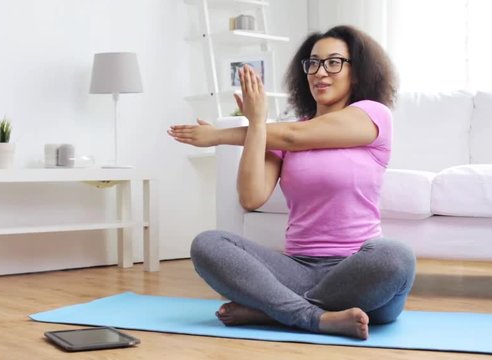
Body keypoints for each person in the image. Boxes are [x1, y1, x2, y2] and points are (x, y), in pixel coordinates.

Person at [167, 25, 415, 340]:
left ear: (357, 72)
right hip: (297, 271)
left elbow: (296, 136)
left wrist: (217, 136)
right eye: (312, 63)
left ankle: (271, 311)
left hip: (361, 276)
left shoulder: (372, 116)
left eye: (333, 62)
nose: (319, 72)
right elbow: (251, 197)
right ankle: (314, 317)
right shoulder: (281, 135)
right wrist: (256, 125)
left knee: (396, 256)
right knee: (208, 244)